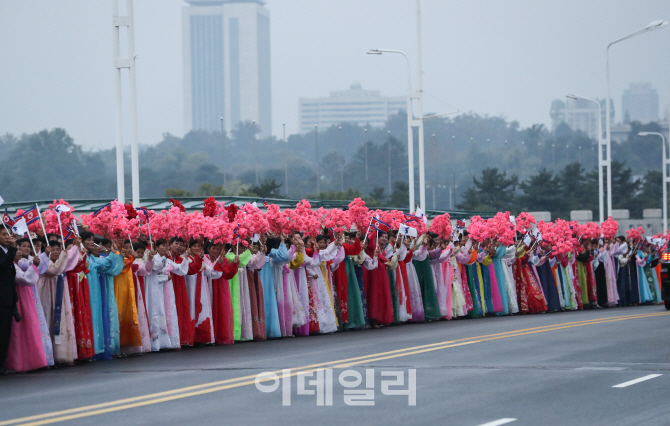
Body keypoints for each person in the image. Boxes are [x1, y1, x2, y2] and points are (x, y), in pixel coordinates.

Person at [0, 227, 18, 374]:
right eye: (3, 234)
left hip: (7, 299)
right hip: (1, 300)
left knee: (5, 335)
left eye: (8, 234)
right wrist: (13, 250)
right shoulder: (5, 253)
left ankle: (2, 364)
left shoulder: (6, 252)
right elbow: (3, 265)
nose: (7, 237)